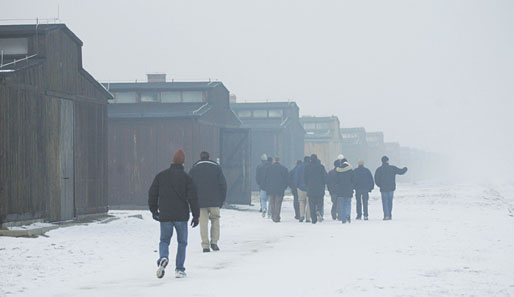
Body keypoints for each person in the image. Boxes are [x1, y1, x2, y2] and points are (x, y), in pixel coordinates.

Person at [149, 149, 200, 279]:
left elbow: (152, 194)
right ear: (183, 162)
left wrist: (154, 210)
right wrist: (196, 215)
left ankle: (163, 257)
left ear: (172, 160)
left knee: (164, 240)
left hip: (165, 214)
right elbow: (193, 198)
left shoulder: (161, 176)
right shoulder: (187, 178)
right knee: (182, 242)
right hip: (181, 215)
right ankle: (179, 269)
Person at [189, 151, 227, 253]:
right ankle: (214, 242)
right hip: (215, 200)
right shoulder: (216, 168)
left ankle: (205, 245)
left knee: (203, 223)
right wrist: (221, 200)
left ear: (200, 158)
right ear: (209, 157)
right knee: (215, 221)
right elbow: (223, 185)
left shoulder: (194, 169)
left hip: (200, 202)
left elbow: (189, 186)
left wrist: (191, 201)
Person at [374, 156, 408, 220]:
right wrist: (405, 169)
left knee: (384, 203)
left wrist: (380, 185)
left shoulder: (379, 169)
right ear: (387, 161)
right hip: (391, 188)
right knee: (390, 202)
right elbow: (401, 172)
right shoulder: (392, 168)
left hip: (383, 189)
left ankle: (386, 215)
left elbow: (376, 179)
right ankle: (389, 215)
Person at [263, 157, 289, 223]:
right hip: (280, 189)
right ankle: (277, 216)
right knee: (278, 203)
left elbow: (265, 179)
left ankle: (273, 216)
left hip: (271, 189)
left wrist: (266, 187)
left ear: (274, 161)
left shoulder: (268, 168)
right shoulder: (284, 169)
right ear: (279, 161)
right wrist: (284, 187)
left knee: (272, 203)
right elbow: (287, 179)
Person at [304, 154, 327, 224]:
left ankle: (313, 219)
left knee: (311, 204)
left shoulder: (307, 167)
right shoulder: (321, 167)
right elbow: (325, 178)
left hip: (311, 189)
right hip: (320, 189)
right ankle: (319, 210)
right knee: (320, 202)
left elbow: (305, 178)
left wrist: (307, 185)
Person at [332, 157, 355, 224]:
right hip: (349, 189)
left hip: (340, 190)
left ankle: (343, 219)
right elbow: (353, 180)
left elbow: (336, 181)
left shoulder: (338, 170)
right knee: (348, 203)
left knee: (342, 205)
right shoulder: (350, 170)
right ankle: (348, 214)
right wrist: (352, 187)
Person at [256, 154, 272, 218]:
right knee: (270, 200)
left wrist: (259, 183)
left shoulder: (259, 166)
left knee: (263, 199)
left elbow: (257, 176)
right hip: (270, 186)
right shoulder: (272, 167)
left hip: (262, 185)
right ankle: (269, 214)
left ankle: (263, 208)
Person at [295, 156, 311, 223]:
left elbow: (296, 177)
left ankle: (301, 216)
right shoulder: (310, 167)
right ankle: (308, 218)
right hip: (309, 188)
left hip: (300, 188)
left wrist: (297, 185)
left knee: (301, 202)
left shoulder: (299, 167)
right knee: (309, 203)